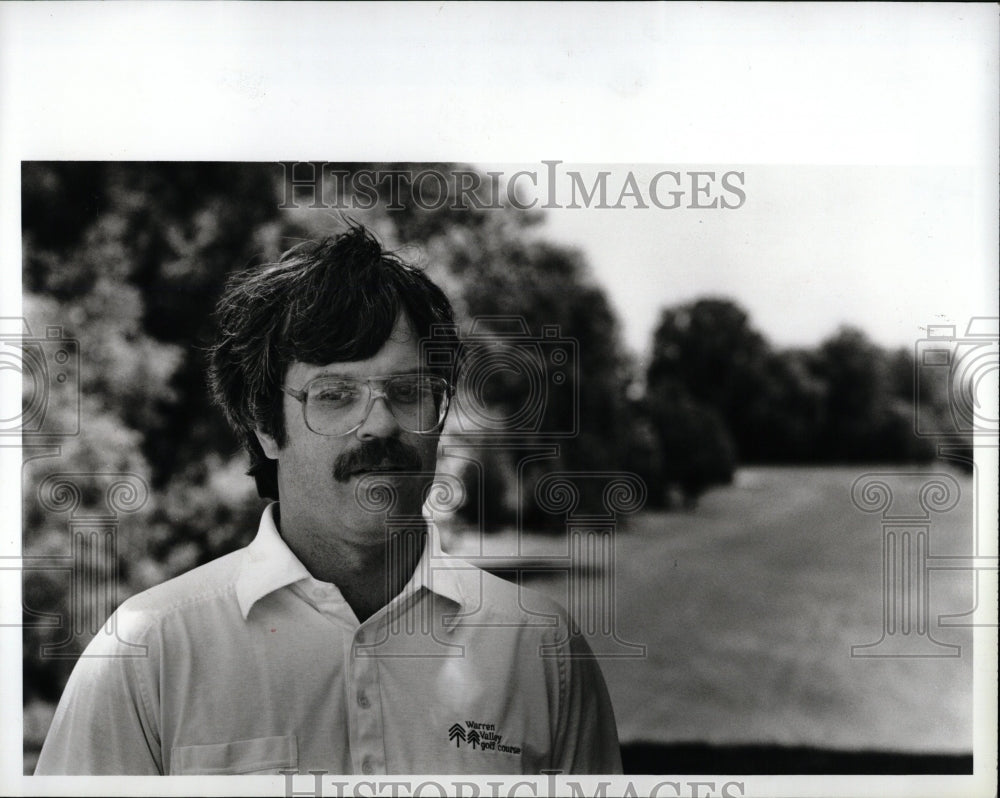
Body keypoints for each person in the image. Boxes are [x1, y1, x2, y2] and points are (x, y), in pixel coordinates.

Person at [34, 224, 622, 776]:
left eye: (410, 391)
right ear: (266, 425)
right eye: (335, 393)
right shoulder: (146, 653)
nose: (379, 425)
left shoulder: (541, 652)